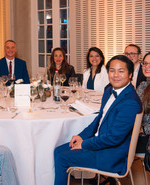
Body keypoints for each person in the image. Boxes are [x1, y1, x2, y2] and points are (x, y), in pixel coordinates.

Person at [54, 55, 142, 185]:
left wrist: (84, 144)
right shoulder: (109, 91)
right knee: (57, 150)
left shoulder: (130, 102)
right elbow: (98, 120)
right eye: (112, 70)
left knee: (62, 158)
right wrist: (81, 136)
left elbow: (113, 138)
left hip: (111, 155)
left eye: (121, 71)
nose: (115, 75)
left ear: (130, 74)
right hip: (101, 144)